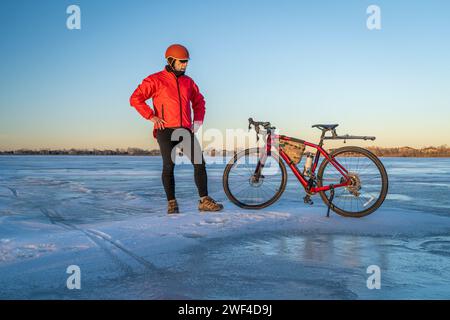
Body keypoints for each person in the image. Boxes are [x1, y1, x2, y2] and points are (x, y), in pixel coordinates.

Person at [130, 44, 224, 214]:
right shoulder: (155, 80)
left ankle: (204, 200)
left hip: (185, 130)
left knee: (199, 163)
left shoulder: (188, 82)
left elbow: (199, 101)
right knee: (169, 166)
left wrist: (198, 121)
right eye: (181, 62)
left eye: (186, 62)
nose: (185, 65)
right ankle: (171, 203)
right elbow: (135, 98)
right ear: (171, 61)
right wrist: (151, 116)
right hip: (165, 130)